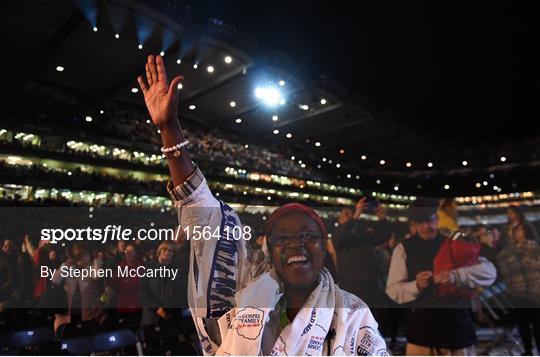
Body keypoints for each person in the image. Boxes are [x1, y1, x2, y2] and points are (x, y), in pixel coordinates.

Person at [137, 54, 387, 355]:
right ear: (269, 249)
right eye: (283, 238)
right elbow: (204, 214)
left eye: (308, 236)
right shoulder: (245, 293)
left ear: (323, 246)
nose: (296, 245)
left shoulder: (353, 314)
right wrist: (169, 130)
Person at [386, 197, 497, 355]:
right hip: (421, 333)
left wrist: (456, 276)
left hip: (457, 330)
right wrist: (415, 286)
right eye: (420, 222)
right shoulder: (402, 249)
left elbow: (489, 271)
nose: (426, 226)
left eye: (430, 220)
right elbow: (393, 290)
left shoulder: (455, 243)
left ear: (437, 219)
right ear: (414, 224)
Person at [497, 223, 540, 355]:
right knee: (523, 324)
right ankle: (527, 350)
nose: (517, 233)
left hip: (535, 291)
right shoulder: (508, 251)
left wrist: (524, 259)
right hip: (517, 291)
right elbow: (504, 266)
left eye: (520, 230)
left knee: (537, 324)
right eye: (515, 231)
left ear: (527, 231)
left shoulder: (534, 248)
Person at [139, 241, 184, 326]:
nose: (167, 252)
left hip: (171, 313)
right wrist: (157, 308)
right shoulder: (149, 267)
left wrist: (166, 308)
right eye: (165, 249)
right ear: (160, 250)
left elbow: (180, 291)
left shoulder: (178, 269)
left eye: (171, 250)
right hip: (152, 314)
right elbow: (143, 291)